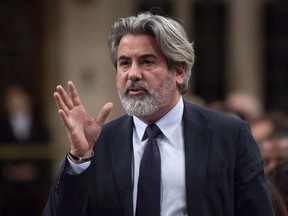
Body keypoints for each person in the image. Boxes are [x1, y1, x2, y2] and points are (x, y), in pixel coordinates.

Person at [43, 12, 275, 216]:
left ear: (179, 71)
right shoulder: (97, 144)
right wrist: (79, 158)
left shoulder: (229, 136)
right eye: (125, 63)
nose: (133, 74)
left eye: (147, 62)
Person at [0, 85, 51, 215]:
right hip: (9, 187)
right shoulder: (3, 125)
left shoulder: (39, 125)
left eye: (19, 97)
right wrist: (10, 171)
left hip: (33, 187)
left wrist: (33, 170)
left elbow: (45, 150)